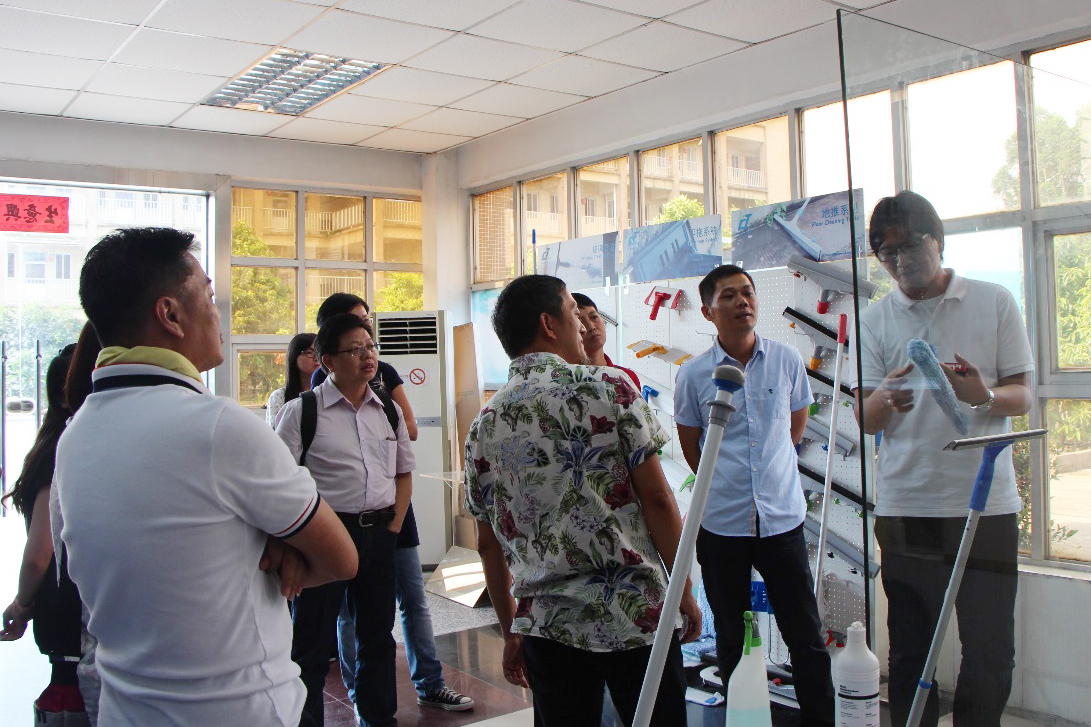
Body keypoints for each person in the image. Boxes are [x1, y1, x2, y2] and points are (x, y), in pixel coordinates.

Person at [55, 226, 358, 726]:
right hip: (240, 710)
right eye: (210, 296)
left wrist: (256, 542)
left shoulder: (75, 436)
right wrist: (278, 548)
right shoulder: (220, 427)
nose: (219, 313)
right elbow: (342, 558)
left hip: (126, 711)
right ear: (170, 314)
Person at [464, 274, 700, 727]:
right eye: (574, 312)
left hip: (547, 624)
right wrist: (682, 589)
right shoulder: (608, 388)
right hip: (633, 612)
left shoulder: (484, 425)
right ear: (548, 324)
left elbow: (487, 543)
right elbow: (657, 498)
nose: (583, 325)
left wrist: (511, 630)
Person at [850, 191, 1033, 727]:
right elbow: (865, 418)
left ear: (939, 241)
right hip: (909, 506)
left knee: (990, 648)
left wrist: (983, 395)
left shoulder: (993, 301)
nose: (899, 261)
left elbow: (1023, 395)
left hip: (985, 503)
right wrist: (883, 401)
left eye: (909, 246)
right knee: (912, 648)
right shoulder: (874, 319)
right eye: (886, 253)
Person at [674, 264, 834, 727]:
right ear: (708, 311)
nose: (742, 301)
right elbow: (692, 446)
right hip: (721, 525)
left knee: (805, 635)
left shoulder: (786, 359)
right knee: (730, 636)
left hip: (782, 521)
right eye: (728, 295)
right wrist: (727, 481)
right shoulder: (694, 374)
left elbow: (796, 425)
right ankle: (744, 719)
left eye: (747, 292)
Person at [314, 293, 473, 713]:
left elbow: (409, 432)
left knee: (412, 600)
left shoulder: (383, 375)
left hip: (392, 514)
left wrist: (394, 523)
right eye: (357, 328)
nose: (367, 342)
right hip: (344, 521)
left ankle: (429, 684)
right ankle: (360, 694)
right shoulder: (316, 393)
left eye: (369, 335)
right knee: (351, 614)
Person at [277, 312, 415, 727]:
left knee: (377, 638)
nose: (368, 355)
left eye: (370, 346)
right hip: (324, 536)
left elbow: (404, 472)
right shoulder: (301, 411)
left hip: (379, 534)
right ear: (328, 361)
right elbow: (281, 483)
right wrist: (295, 545)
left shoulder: (387, 409)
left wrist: (393, 527)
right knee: (312, 644)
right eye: (355, 349)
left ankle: (378, 719)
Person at [2, 344, 87, 726]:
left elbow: (39, 553)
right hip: (89, 612)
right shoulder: (77, 449)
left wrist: (22, 605)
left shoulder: (56, 448)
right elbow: (43, 548)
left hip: (66, 614)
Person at [572, 292, 641, 389]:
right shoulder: (564, 381)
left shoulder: (627, 377)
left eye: (594, 317)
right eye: (580, 322)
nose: (591, 326)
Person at [268, 332, 319, 427]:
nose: (316, 358)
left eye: (319, 352)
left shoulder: (328, 393)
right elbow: (274, 433)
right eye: (309, 352)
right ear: (294, 356)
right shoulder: (279, 397)